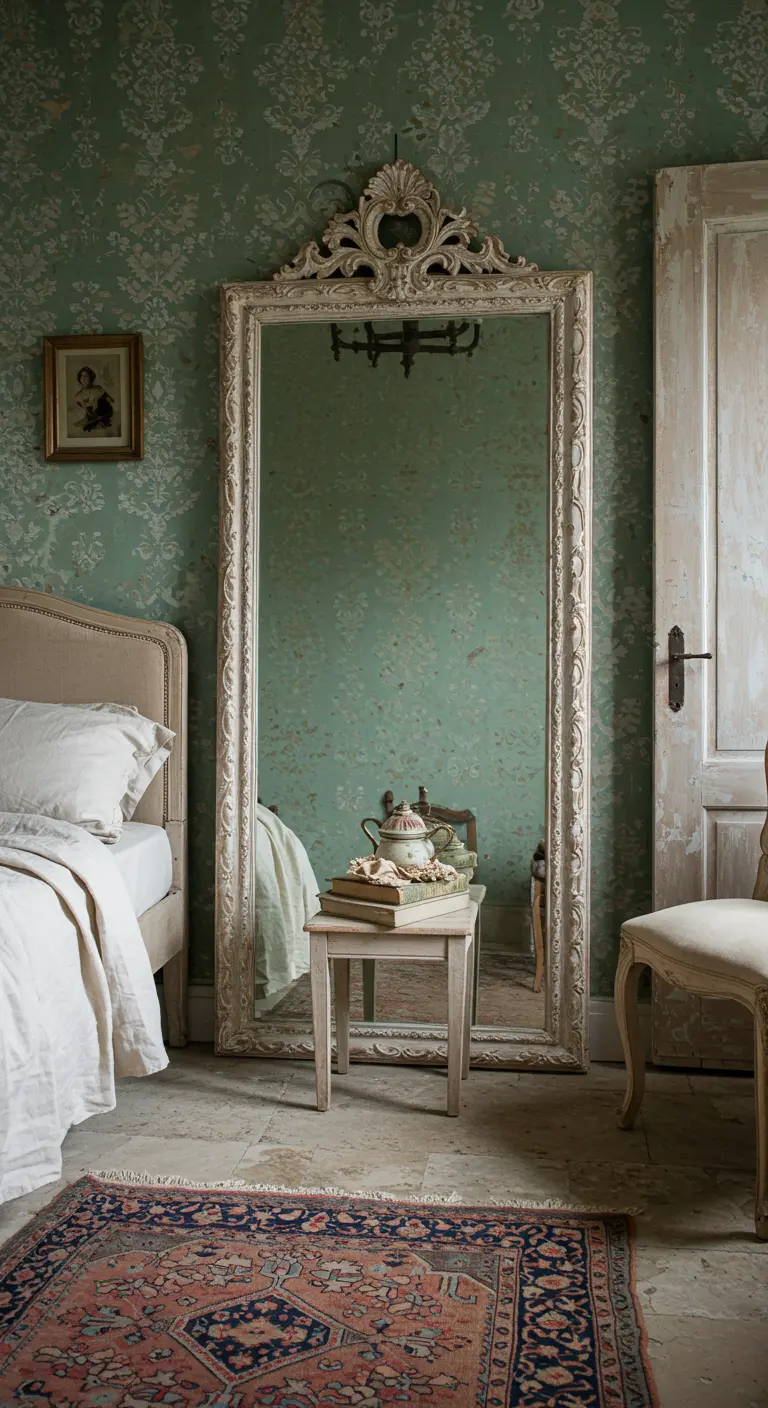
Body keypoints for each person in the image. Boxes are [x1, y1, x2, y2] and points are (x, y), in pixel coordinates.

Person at [74, 365, 115, 433]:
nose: (83, 378)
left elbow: (111, 401)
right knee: (85, 427)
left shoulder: (98, 389)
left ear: (91, 378)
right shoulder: (78, 396)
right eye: (81, 376)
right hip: (92, 416)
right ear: (79, 378)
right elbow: (86, 410)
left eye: (86, 376)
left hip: (104, 413)